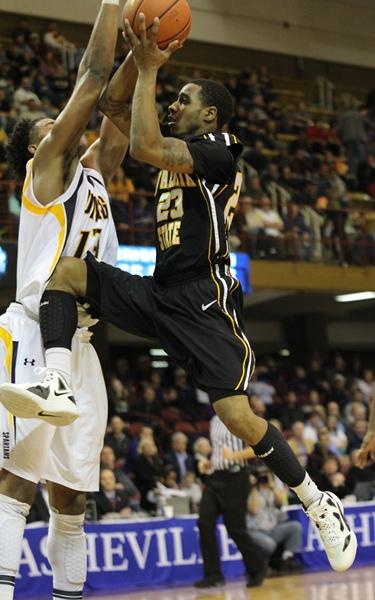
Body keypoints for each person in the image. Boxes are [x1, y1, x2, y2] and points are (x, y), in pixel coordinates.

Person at [1, 14, 357, 574]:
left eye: (184, 99)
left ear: (208, 114)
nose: (174, 103)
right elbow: (114, 108)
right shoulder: (57, 163)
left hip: (204, 297)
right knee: (66, 272)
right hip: (137, 297)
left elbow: (134, 134)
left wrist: (144, 64)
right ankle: (56, 378)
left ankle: (316, 499)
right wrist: (140, 53)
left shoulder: (217, 151)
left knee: (235, 414)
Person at [0, 2, 138, 599]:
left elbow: (116, 108)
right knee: (16, 482)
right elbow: (90, 82)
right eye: (48, 128)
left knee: (73, 494)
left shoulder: (98, 170)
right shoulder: (47, 172)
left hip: (79, 343)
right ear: (36, 150)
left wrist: (145, 54)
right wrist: (114, 4)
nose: (58, 125)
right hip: (33, 331)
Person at [195, 415, 266, 588]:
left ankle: (257, 569)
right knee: (204, 522)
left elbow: (258, 448)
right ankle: (213, 575)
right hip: (215, 477)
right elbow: (219, 450)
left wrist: (235, 455)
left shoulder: (241, 416)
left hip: (236, 478)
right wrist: (210, 463)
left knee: (235, 528)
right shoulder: (213, 420)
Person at [247, 468, 303, 572]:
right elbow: (254, 509)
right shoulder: (249, 491)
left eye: (266, 475)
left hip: (272, 529)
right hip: (255, 531)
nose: (263, 478)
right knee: (270, 544)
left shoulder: (273, 489)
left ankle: (287, 559)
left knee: (295, 527)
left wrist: (273, 487)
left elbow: (280, 504)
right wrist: (254, 487)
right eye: (261, 476)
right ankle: (261, 566)